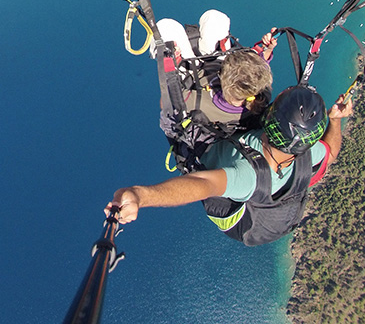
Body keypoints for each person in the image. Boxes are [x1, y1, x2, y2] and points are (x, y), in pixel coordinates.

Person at [106, 86, 352, 246]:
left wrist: (140, 196)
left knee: (172, 113)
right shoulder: (311, 153)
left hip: (241, 216)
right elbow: (330, 154)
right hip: (273, 211)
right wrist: (335, 120)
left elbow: (202, 184)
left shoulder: (247, 176)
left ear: (270, 117)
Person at [161, 28, 279, 172]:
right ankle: (213, 53)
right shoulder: (260, 97)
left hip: (196, 72)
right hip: (214, 72)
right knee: (215, 18)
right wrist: (267, 49)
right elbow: (257, 75)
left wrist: (172, 65)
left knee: (166, 26)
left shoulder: (199, 103)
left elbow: (166, 103)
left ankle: (202, 57)